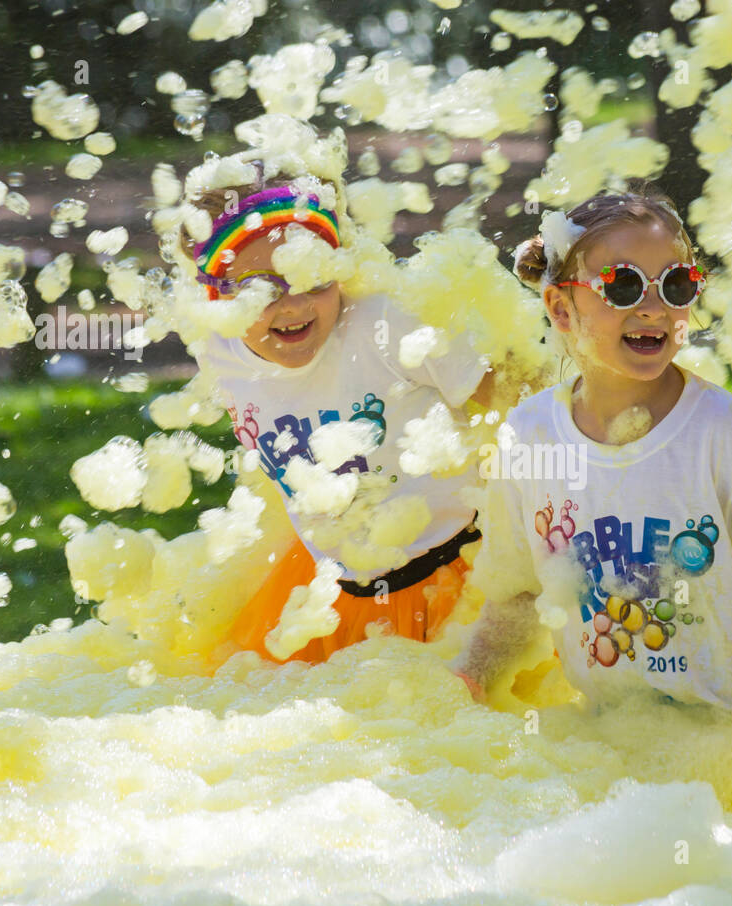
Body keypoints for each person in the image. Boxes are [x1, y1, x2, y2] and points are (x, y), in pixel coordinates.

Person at [450, 188, 732, 745]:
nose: (654, 308)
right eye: (623, 285)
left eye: (677, 284)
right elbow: (517, 595)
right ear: (561, 309)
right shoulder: (530, 437)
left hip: (730, 749)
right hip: (604, 740)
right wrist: (466, 682)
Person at [178, 165, 498, 670]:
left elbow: (519, 392)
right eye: (261, 290)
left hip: (452, 577)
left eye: (313, 278)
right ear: (217, 297)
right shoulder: (220, 351)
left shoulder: (390, 322)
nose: (294, 306)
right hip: (326, 591)